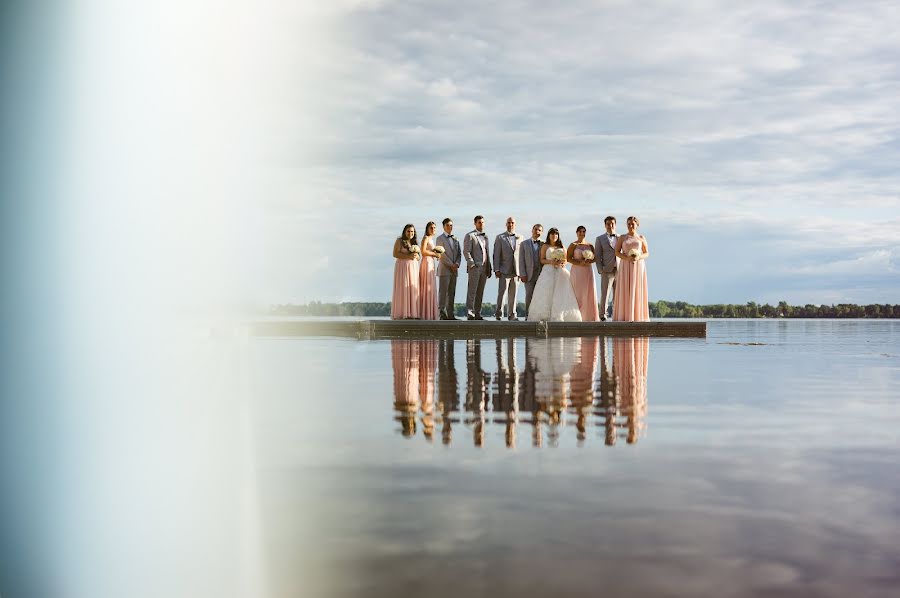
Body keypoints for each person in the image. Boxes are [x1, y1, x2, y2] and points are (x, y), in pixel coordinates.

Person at [525, 228, 583, 322]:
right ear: (549, 236)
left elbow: (566, 259)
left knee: (561, 293)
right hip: (548, 271)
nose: (554, 236)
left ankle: (561, 315)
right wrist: (551, 262)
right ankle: (544, 316)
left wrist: (563, 263)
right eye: (552, 234)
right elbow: (542, 259)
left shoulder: (562, 246)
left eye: (556, 234)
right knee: (546, 293)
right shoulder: (545, 246)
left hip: (560, 272)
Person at [612, 216, 650, 322]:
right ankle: (624, 316)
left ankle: (637, 316)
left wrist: (638, 257)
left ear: (637, 225)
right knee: (625, 288)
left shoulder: (641, 237)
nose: (630, 226)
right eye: (628, 224)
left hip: (638, 266)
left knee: (637, 288)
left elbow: (647, 253)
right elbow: (616, 252)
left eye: (632, 224)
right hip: (625, 265)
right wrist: (627, 258)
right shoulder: (623, 237)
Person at [492, 216, 523, 320]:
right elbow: (496, 255)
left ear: (515, 224)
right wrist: (496, 269)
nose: (510, 224)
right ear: (506, 224)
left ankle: (512, 315)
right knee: (502, 294)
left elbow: (521, 255)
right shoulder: (500, 237)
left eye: (512, 223)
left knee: (513, 295)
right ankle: (499, 315)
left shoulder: (520, 237)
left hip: (516, 271)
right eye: (509, 223)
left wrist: (522, 271)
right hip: (504, 270)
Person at [567, 225, 600, 321]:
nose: (582, 233)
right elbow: (568, 258)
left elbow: (595, 258)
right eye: (580, 232)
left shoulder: (590, 246)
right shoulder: (573, 245)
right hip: (577, 271)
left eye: (583, 232)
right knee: (577, 293)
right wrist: (579, 263)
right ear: (576, 233)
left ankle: (589, 316)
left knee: (588, 292)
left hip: (588, 271)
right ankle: (576, 316)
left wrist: (589, 261)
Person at [463, 215, 492, 320]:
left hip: (484, 268)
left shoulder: (486, 236)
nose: (481, 224)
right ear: (475, 223)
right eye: (479, 222)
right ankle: (470, 313)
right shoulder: (470, 236)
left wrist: (489, 267)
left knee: (480, 291)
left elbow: (487, 253)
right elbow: (466, 251)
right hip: (474, 268)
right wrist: (472, 264)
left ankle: (478, 313)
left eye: (483, 222)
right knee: (472, 291)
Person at [391, 223, 421, 319]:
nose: (410, 233)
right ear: (405, 232)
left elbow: (418, 257)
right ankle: (403, 313)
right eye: (408, 231)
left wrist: (417, 256)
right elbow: (395, 254)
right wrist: (408, 256)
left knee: (412, 289)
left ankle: (413, 313)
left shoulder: (414, 242)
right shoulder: (399, 241)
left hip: (413, 269)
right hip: (402, 268)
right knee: (403, 288)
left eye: (412, 231)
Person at [434, 218, 461, 320]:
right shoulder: (439, 238)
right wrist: (451, 265)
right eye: (448, 225)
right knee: (443, 292)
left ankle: (451, 314)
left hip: (454, 270)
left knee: (451, 293)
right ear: (444, 226)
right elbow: (442, 255)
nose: (450, 227)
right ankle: (442, 314)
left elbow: (459, 254)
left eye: (451, 225)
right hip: (444, 269)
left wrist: (457, 264)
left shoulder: (456, 239)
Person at [594, 216, 619, 321]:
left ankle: (617, 314)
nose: (610, 225)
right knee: (605, 293)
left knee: (618, 294)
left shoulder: (621, 237)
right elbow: (597, 255)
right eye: (608, 224)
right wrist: (600, 269)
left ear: (615, 224)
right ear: (605, 225)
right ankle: (602, 315)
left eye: (612, 223)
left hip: (619, 269)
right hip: (606, 270)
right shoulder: (600, 239)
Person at [518, 223, 544, 315]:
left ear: (542, 232)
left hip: (541, 275)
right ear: (532, 230)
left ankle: (538, 315)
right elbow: (521, 260)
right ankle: (527, 315)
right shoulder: (524, 244)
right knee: (529, 295)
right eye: (535, 229)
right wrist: (522, 274)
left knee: (540, 296)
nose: (537, 231)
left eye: (539, 230)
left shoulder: (544, 244)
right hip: (528, 275)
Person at [418, 221, 441, 320]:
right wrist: (434, 254)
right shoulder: (426, 238)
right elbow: (423, 251)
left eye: (434, 228)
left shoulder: (432, 239)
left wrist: (436, 255)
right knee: (426, 286)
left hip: (431, 262)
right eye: (431, 227)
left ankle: (430, 312)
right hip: (426, 263)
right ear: (427, 229)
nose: (433, 229)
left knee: (431, 287)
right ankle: (425, 313)